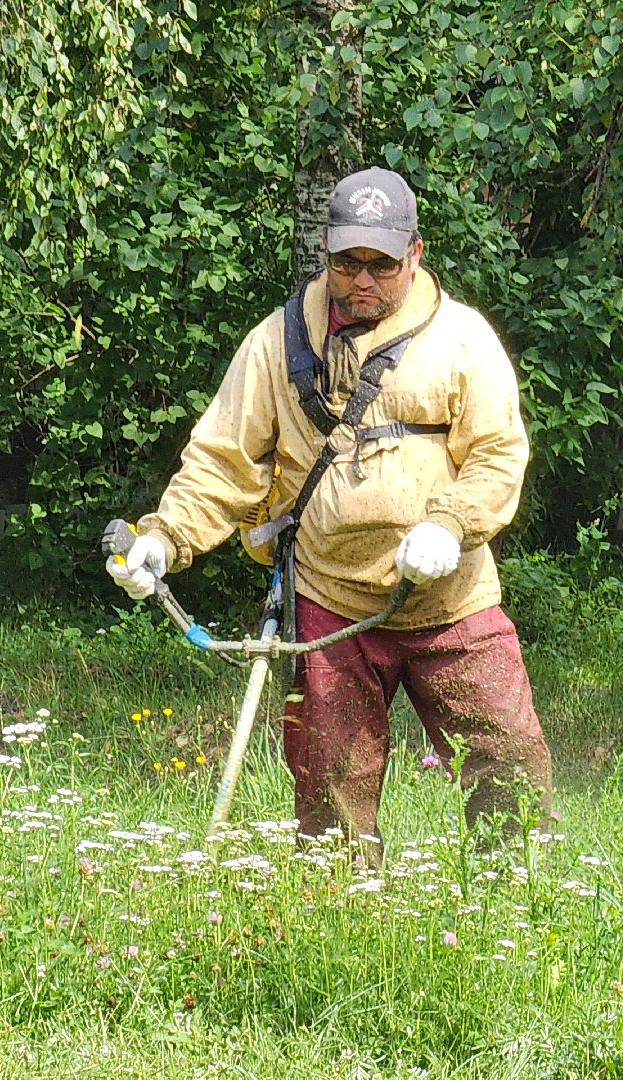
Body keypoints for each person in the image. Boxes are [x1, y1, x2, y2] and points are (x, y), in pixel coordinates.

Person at [106, 166, 552, 857]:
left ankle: (518, 907)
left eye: (381, 264)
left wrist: (450, 524)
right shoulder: (276, 343)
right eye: (347, 262)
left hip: (450, 596)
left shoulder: (462, 340)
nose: (362, 280)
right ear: (326, 250)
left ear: (415, 254)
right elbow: (224, 461)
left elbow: (497, 456)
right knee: (329, 792)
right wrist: (166, 538)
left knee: (510, 766)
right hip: (329, 601)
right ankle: (338, 923)